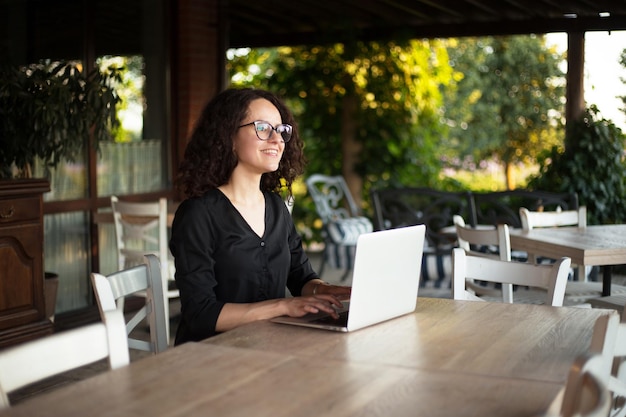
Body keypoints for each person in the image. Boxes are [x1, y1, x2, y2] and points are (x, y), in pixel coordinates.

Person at [169, 87, 351, 344]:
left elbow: (301, 278)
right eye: (263, 128)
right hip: (211, 356)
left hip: (268, 345)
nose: (277, 139)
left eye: (281, 130)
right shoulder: (198, 214)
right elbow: (201, 313)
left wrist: (329, 290)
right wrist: (283, 307)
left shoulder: (276, 207)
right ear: (229, 137)